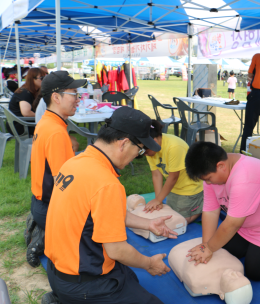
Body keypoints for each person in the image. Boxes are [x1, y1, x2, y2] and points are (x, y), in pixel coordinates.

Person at [41, 107, 177, 304]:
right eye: (139, 150)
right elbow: (117, 251)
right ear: (123, 144)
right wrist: (149, 264)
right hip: (85, 284)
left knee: (130, 278)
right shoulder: (106, 183)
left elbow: (100, 214)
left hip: (58, 272)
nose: (138, 155)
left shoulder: (74, 162)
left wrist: (148, 224)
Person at [185, 141, 260, 281]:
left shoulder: (245, 177)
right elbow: (210, 211)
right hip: (245, 225)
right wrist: (206, 245)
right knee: (221, 250)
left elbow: (232, 224)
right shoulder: (211, 173)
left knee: (255, 273)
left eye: (208, 179)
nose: (207, 183)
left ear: (221, 166)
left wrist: (210, 248)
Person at [24, 71, 87, 268]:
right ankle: (45, 235)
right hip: (50, 206)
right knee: (90, 234)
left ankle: (42, 226)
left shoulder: (47, 121)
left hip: (39, 201)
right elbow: (64, 184)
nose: (78, 99)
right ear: (56, 97)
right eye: (74, 94)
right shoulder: (56, 132)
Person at [143, 120, 203, 224]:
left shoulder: (174, 147)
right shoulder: (150, 149)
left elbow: (173, 177)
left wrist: (158, 200)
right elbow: (156, 175)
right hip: (174, 188)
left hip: (190, 188)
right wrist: (159, 200)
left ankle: (204, 204)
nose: (145, 155)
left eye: (146, 151)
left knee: (181, 221)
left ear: (154, 142)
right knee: (169, 216)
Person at [7, 67, 46, 135]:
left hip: (23, 123)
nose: (44, 80)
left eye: (45, 78)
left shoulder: (31, 91)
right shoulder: (24, 92)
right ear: (32, 79)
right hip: (20, 126)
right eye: (41, 78)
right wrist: (44, 117)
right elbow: (26, 113)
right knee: (52, 128)